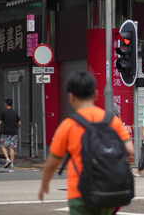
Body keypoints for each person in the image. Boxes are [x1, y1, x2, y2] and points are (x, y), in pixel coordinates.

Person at [38, 71, 134, 215]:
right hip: (110, 192)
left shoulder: (68, 125)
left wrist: (45, 183)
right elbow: (130, 150)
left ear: (71, 97)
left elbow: (53, 162)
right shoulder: (112, 120)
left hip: (80, 194)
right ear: (96, 94)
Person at [0, 99, 21, 169]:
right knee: (12, 147)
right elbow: (19, 123)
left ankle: (7, 159)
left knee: (3, 146)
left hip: (5, 132)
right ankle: (12, 164)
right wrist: (16, 128)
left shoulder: (3, 112)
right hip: (14, 132)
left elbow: (0, 122)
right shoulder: (15, 112)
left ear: (6, 104)